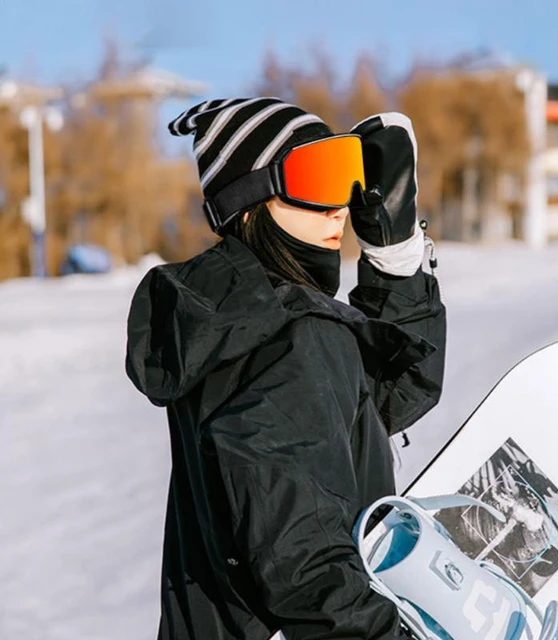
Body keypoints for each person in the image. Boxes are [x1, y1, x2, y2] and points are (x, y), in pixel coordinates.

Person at [125, 97, 446, 640]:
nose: (341, 209)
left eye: (347, 179)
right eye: (317, 180)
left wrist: (395, 261)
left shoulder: (229, 323)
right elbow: (307, 569)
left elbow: (374, 404)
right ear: (248, 205)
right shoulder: (295, 337)